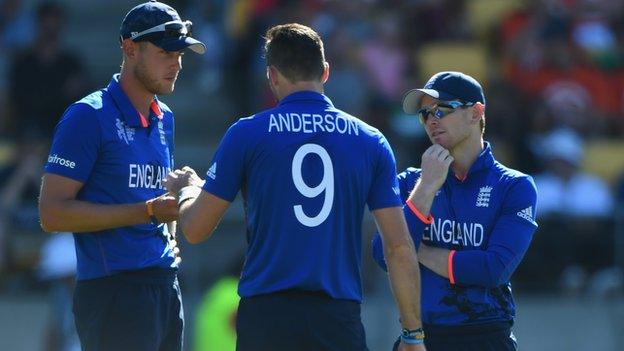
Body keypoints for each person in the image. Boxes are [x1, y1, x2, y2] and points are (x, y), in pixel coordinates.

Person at [165, 23, 425, 351]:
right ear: (326, 72)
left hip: (267, 317)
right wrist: (413, 334)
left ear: (272, 75)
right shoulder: (370, 141)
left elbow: (196, 229)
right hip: (336, 318)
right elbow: (399, 247)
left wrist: (189, 188)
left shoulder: (247, 134)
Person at [38, 1, 206, 350]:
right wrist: (146, 211)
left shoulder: (165, 117)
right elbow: (52, 213)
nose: (176, 64)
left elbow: (155, 200)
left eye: (180, 54)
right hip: (114, 290)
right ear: (130, 49)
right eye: (165, 53)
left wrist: (169, 222)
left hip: (164, 286)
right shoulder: (87, 116)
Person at [372, 71, 538, 351]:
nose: (431, 121)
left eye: (442, 110)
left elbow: (492, 269)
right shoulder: (411, 182)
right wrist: (427, 187)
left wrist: (414, 250)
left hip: (486, 335)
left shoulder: (514, 185)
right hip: (420, 337)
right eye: (425, 114)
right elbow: (382, 255)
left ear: (476, 114)